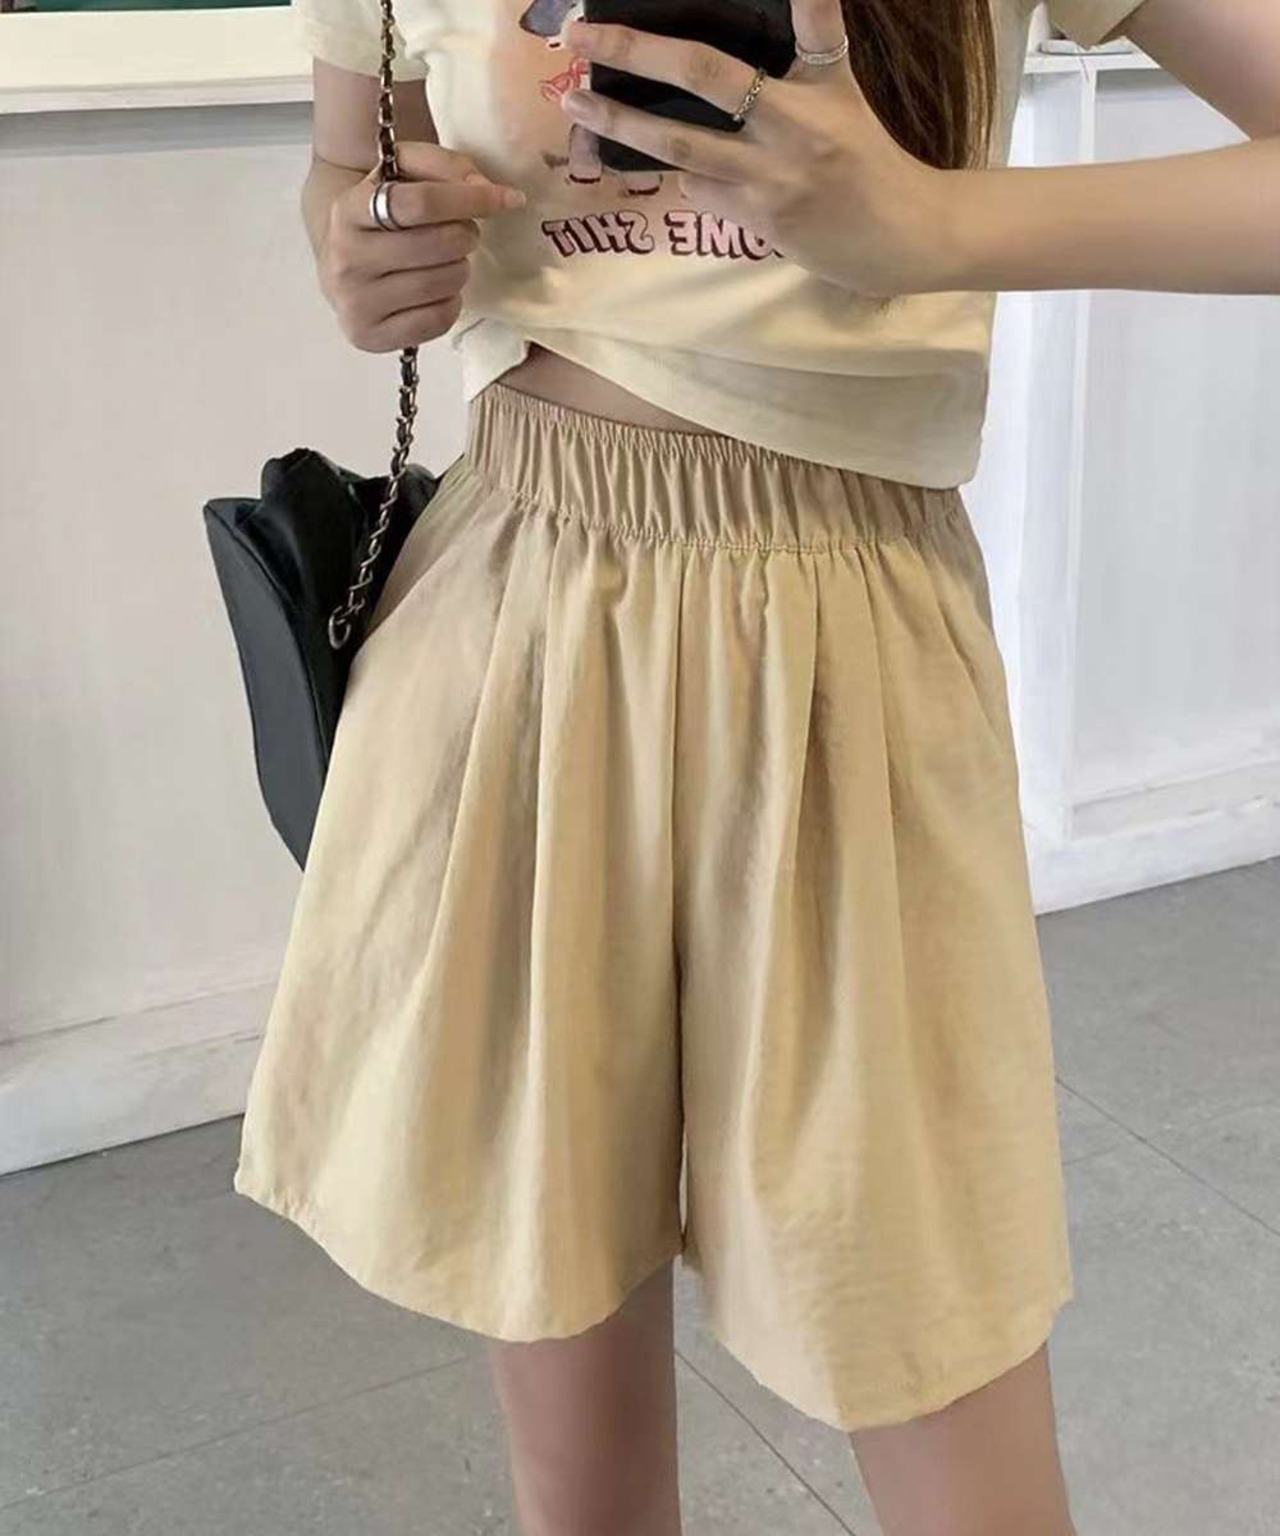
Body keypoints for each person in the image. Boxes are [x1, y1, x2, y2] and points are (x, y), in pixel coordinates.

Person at [232, 0, 1280, 1530]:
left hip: (848, 647)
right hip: (512, 615)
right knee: (571, 1428)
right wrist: (361, 240)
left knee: (931, 1341)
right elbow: (352, 167)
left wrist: (930, 226)